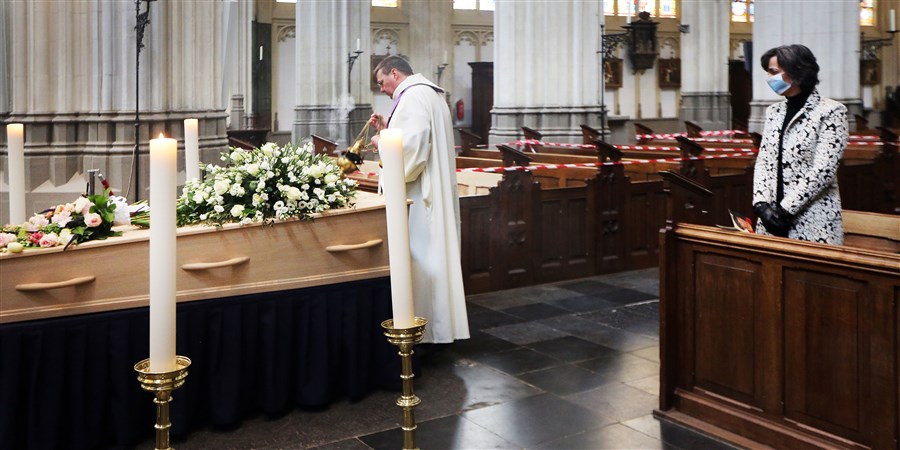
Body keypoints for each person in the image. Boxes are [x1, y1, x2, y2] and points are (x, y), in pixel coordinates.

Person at [369, 55, 469, 344]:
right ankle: (440, 329)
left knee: (423, 263)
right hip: (431, 196)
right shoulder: (430, 94)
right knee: (436, 262)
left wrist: (381, 144)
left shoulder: (412, 97)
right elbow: (419, 138)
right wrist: (387, 128)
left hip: (419, 202)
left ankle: (424, 335)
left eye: (382, 82)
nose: (382, 89)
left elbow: (411, 154)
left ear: (395, 73)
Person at [752, 44, 848, 245]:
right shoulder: (773, 112)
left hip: (812, 219)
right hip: (770, 221)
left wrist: (784, 209)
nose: (769, 78)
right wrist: (761, 205)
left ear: (796, 72)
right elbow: (764, 161)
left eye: (773, 72)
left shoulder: (831, 111)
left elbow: (823, 170)